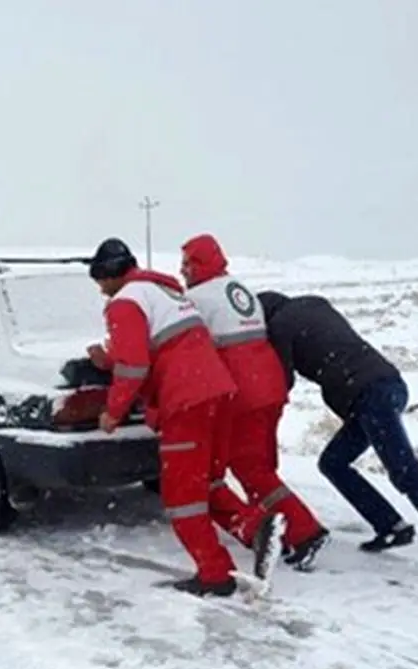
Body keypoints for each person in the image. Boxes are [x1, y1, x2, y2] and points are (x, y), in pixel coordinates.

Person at [87, 237, 280, 597]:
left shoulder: (125, 302)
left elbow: (134, 365)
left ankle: (214, 575)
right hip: (219, 393)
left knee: (182, 496)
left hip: (185, 401)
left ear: (110, 275)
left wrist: (113, 413)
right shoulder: (165, 293)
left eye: (100, 281)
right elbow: (161, 347)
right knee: (207, 483)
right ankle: (256, 530)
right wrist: (108, 360)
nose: (101, 291)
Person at [258, 290, 418, 579]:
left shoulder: (280, 325)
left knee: (406, 473)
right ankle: (391, 526)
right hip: (387, 384)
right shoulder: (315, 303)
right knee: (333, 462)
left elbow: (283, 379)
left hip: (368, 396)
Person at [180, 234, 329, 570]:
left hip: (242, 393)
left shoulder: (197, 298)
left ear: (201, 263)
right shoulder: (239, 289)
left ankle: (304, 533)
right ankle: (276, 529)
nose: (183, 270)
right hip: (269, 385)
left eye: (188, 263)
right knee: (261, 465)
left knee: (251, 469)